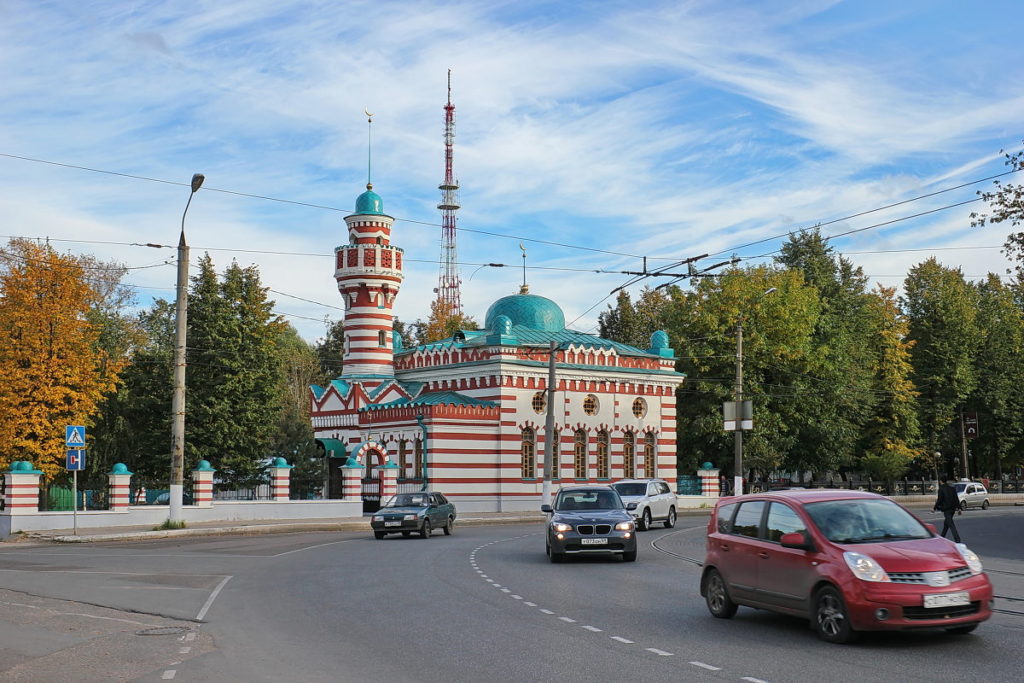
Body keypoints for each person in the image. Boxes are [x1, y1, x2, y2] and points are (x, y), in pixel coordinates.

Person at [933, 477, 962, 543]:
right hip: (953, 509)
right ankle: (942, 537)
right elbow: (956, 499)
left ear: (940, 481)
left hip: (946, 509)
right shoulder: (952, 488)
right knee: (946, 524)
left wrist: (934, 508)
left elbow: (939, 500)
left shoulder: (941, 489)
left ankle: (957, 539)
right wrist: (959, 508)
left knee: (951, 524)